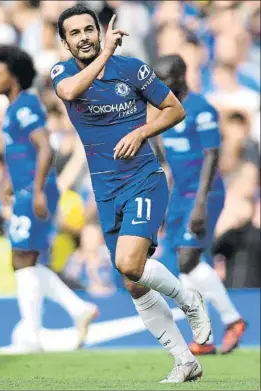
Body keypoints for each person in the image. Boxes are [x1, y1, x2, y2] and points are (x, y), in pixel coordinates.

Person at [51, 4, 212, 383]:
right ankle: (184, 360)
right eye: (74, 33)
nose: (85, 37)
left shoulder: (133, 69)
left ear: (98, 29)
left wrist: (141, 132)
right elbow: (71, 90)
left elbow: (174, 109)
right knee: (133, 282)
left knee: (128, 263)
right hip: (104, 188)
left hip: (143, 177)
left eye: (89, 29)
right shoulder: (63, 73)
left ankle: (189, 300)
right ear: (65, 42)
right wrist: (106, 53)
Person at [0, 45, 98, 355]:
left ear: (14, 77)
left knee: (22, 259)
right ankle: (76, 309)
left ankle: (32, 337)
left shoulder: (26, 106)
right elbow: (20, 152)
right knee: (25, 261)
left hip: (35, 192)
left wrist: (36, 191)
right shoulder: (14, 108)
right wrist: (7, 184)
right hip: (25, 189)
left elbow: (45, 149)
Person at [151, 54, 246, 355]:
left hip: (204, 193)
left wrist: (201, 204)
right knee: (186, 267)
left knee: (188, 260)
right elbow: (166, 160)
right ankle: (203, 337)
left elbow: (212, 156)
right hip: (180, 193)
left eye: (165, 78)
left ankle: (233, 320)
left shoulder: (201, 109)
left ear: (181, 76)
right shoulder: (165, 112)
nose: (161, 84)